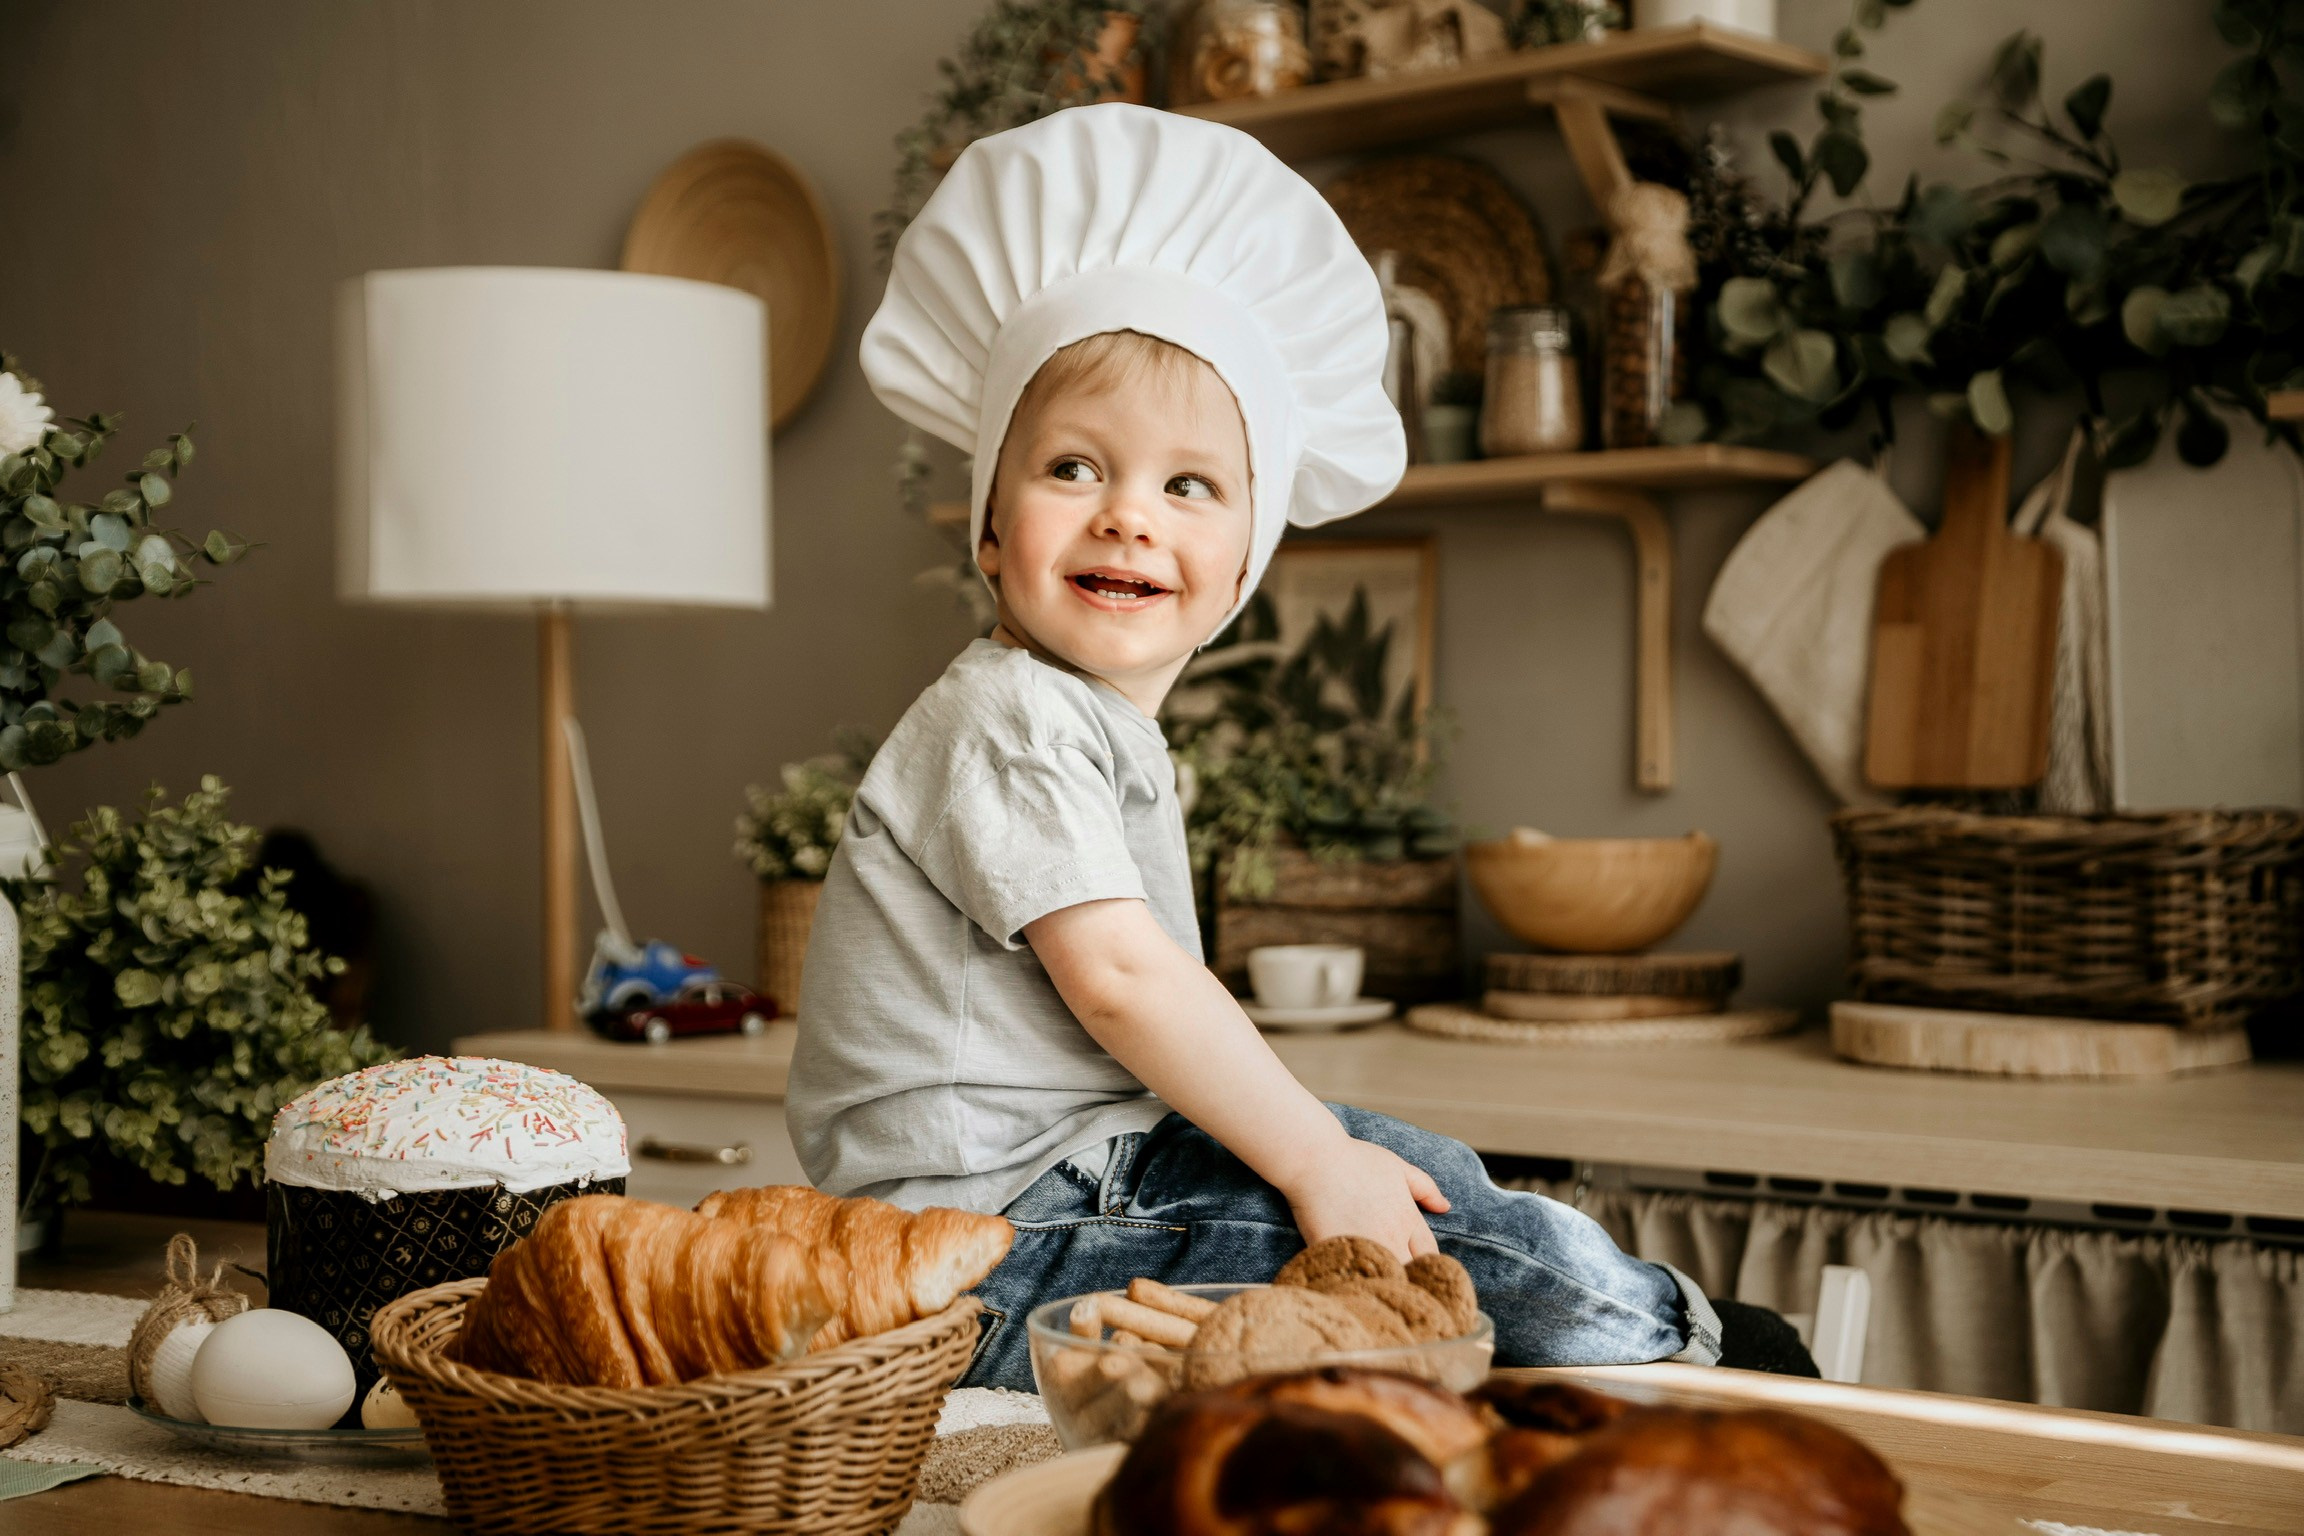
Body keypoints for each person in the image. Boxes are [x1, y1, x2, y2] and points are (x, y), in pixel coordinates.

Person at [789, 102, 1798, 1391]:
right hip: (982, 1253)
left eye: (1188, 486)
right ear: (990, 530)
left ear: (1243, 569)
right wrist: (1314, 1160)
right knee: (1382, 1233)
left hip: (1073, 1187)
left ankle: (1652, 1330)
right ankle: (1691, 1347)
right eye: (1073, 469)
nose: (1128, 520)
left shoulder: (1086, 723)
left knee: (1413, 1178)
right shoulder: (1007, 714)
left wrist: (1333, 1149)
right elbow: (1122, 984)